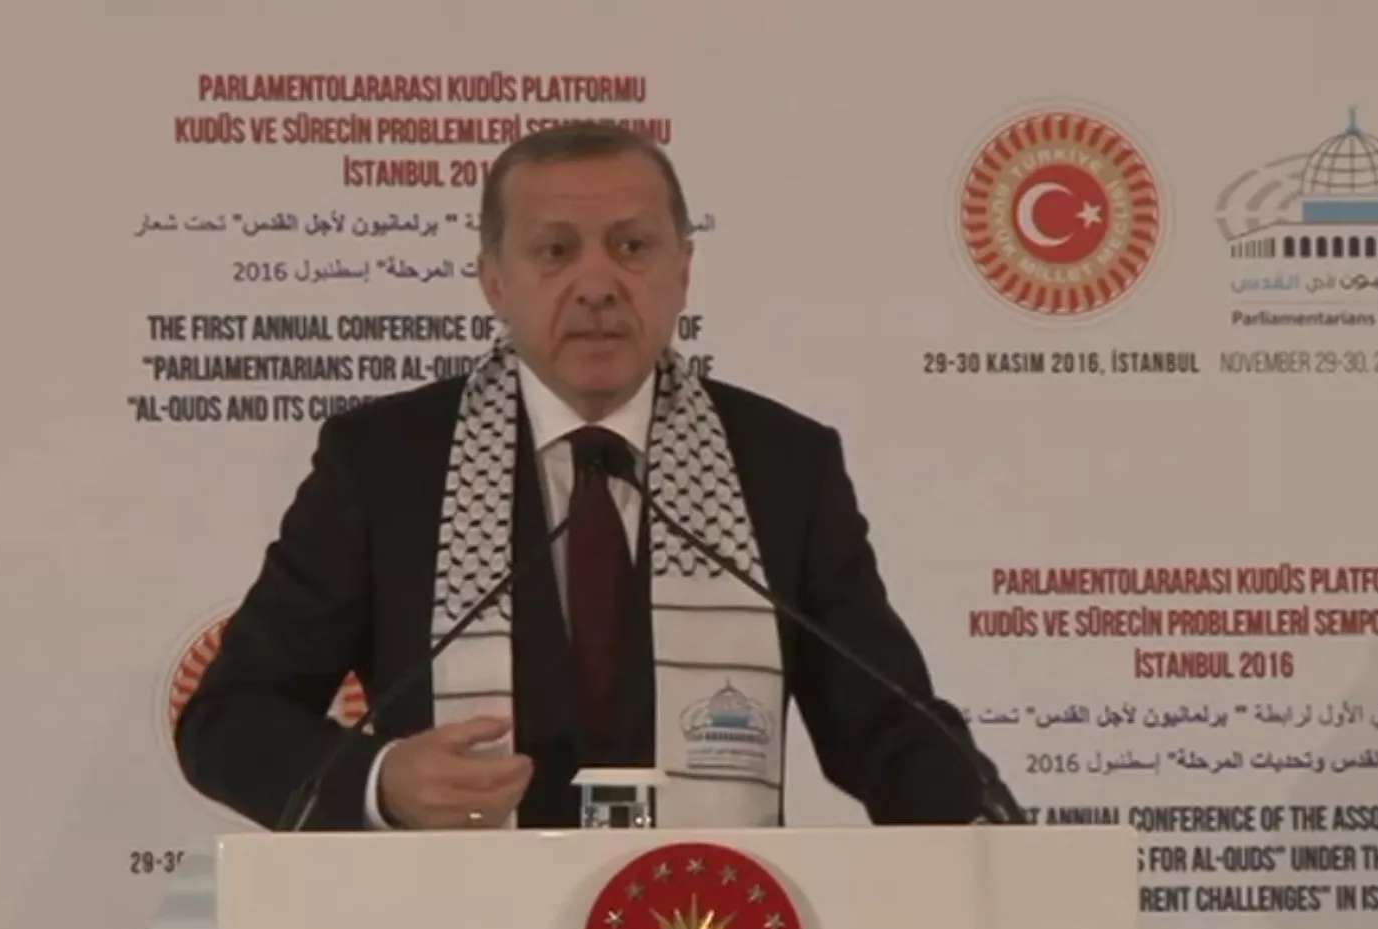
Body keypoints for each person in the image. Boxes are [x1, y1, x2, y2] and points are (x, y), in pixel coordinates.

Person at [174, 121, 1003, 831]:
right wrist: (380, 781)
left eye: (632, 247)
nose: (598, 285)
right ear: (494, 280)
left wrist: (996, 840)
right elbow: (231, 717)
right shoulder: (385, 463)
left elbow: (889, 728)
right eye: (555, 251)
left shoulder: (783, 464)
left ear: (683, 270)